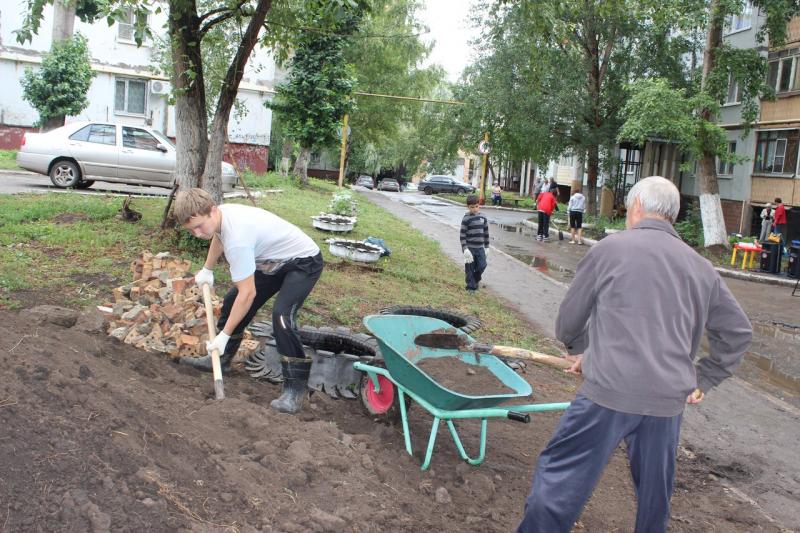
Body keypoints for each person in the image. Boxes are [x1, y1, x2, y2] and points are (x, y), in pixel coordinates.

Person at [517, 176, 752, 533]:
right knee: (655, 497)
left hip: (608, 395)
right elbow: (737, 332)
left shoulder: (611, 250)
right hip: (666, 404)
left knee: (560, 478)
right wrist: (704, 378)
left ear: (638, 206)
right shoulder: (701, 267)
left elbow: (569, 322)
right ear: (671, 215)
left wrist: (582, 352)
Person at [173, 188, 324, 414]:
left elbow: (249, 294)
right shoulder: (219, 218)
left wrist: (223, 335)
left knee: (282, 316)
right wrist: (207, 268)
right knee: (233, 298)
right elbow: (218, 236)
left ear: (212, 211)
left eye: (199, 226)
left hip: (303, 262)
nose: (197, 233)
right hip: (273, 261)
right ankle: (220, 361)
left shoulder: (238, 240)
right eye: (191, 230)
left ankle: (296, 390)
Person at [460, 195, 490, 292]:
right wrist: (465, 249)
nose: (474, 209)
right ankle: (471, 287)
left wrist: (487, 247)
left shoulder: (483, 217)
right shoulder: (466, 219)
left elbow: (486, 232)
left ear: (479, 205)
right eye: (472, 207)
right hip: (470, 249)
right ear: (468, 207)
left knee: (482, 265)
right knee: (470, 268)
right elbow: (462, 235)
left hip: (480, 248)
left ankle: (475, 279)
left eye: (476, 206)